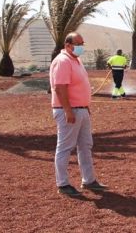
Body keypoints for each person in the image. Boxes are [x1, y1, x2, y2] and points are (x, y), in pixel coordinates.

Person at [50, 32, 108, 196]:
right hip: (69, 110)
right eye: (78, 44)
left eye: (83, 43)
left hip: (80, 109)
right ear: (68, 45)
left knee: (85, 145)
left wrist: (84, 106)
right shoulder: (62, 61)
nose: (81, 47)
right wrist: (68, 110)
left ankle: (89, 180)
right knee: (65, 147)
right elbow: (60, 88)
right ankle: (63, 184)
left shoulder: (76, 60)